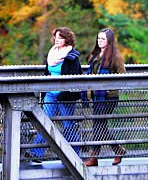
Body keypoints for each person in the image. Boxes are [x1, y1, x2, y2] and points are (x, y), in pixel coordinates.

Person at [29, 27, 84, 162]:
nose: (57, 40)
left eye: (60, 37)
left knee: (67, 124)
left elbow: (76, 78)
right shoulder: (52, 54)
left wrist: (66, 93)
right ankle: (36, 153)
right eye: (56, 37)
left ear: (67, 39)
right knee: (45, 121)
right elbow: (47, 74)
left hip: (65, 95)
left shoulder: (72, 57)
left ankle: (75, 154)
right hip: (50, 94)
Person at [85, 28, 127, 166]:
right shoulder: (96, 55)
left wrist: (110, 87)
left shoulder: (115, 57)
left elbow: (123, 76)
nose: (100, 41)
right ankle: (117, 149)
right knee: (99, 125)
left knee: (98, 126)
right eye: (98, 38)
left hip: (108, 97)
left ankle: (94, 157)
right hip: (97, 96)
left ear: (109, 40)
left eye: (103, 38)